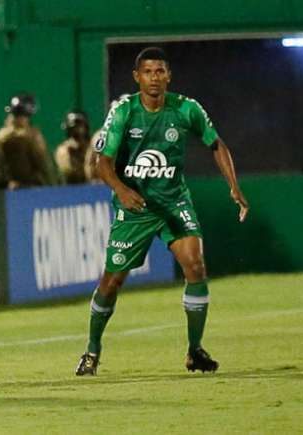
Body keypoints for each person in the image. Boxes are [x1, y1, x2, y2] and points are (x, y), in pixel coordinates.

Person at [75, 47, 249, 376]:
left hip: (173, 201)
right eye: (148, 72)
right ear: (136, 77)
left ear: (168, 75)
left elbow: (217, 145)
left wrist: (234, 186)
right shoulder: (124, 111)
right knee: (111, 283)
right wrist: (122, 190)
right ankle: (92, 350)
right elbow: (103, 163)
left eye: (160, 72)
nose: (154, 78)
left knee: (195, 266)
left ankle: (194, 350)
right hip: (136, 207)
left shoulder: (186, 109)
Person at [0, 92, 56, 188]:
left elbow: (45, 163)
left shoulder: (33, 133)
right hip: (17, 188)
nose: (24, 118)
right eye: (21, 115)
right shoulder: (4, 136)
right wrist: (7, 182)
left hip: (37, 186)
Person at [54, 110, 91, 184]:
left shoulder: (92, 147)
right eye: (72, 128)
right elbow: (68, 174)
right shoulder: (64, 150)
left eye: (80, 127)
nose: (77, 131)